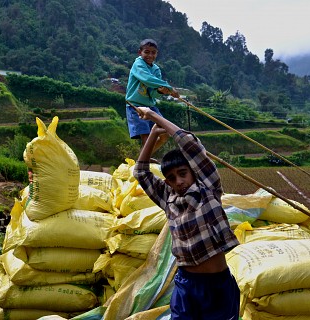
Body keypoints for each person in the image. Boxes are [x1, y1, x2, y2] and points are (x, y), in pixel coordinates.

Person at [133, 106, 240, 320]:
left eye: (183, 174)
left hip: (217, 287)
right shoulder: (168, 199)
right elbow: (141, 172)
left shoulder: (208, 188)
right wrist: (153, 135)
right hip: (186, 285)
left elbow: (191, 146)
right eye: (171, 178)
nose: (178, 181)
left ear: (194, 172)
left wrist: (155, 117)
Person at [125, 38, 180, 156]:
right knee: (146, 137)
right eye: (146, 52)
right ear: (140, 52)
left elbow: (153, 92)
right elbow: (147, 79)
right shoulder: (138, 64)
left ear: (157, 54)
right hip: (136, 106)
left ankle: (144, 157)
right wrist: (169, 88)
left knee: (165, 134)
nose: (150, 55)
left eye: (153, 52)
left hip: (151, 106)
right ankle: (144, 159)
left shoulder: (156, 70)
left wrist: (161, 91)